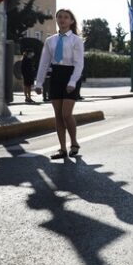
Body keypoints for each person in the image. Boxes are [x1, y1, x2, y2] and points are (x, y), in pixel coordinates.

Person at [34, 9, 85, 160]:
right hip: (56, 75)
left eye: (66, 17)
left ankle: (74, 143)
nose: (62, 19)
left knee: (66, 114)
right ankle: (62, 149)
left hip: (71, 75)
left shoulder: (76, 40)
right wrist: (39, 82)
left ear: (71, 21)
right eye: (60, 17)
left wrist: (72, 81)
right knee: (58, 115)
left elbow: (79, 64)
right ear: (56, 19)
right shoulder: (50, 40)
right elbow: (44, 63)